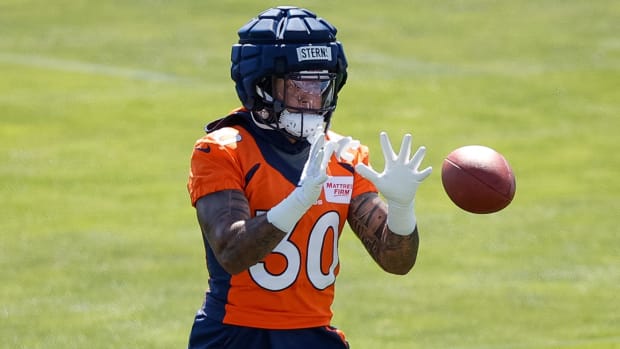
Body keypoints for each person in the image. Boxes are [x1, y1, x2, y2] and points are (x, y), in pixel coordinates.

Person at [186, 6, 432, 349]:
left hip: (314, 336)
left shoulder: (344, 156)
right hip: (236, 335)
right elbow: (232, 251)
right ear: (262, 84)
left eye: (321, 84)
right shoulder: (222, 150)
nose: (312, 97)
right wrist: (300, 199)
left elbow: (396, 261)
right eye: (299, 84)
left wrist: (403, 209)